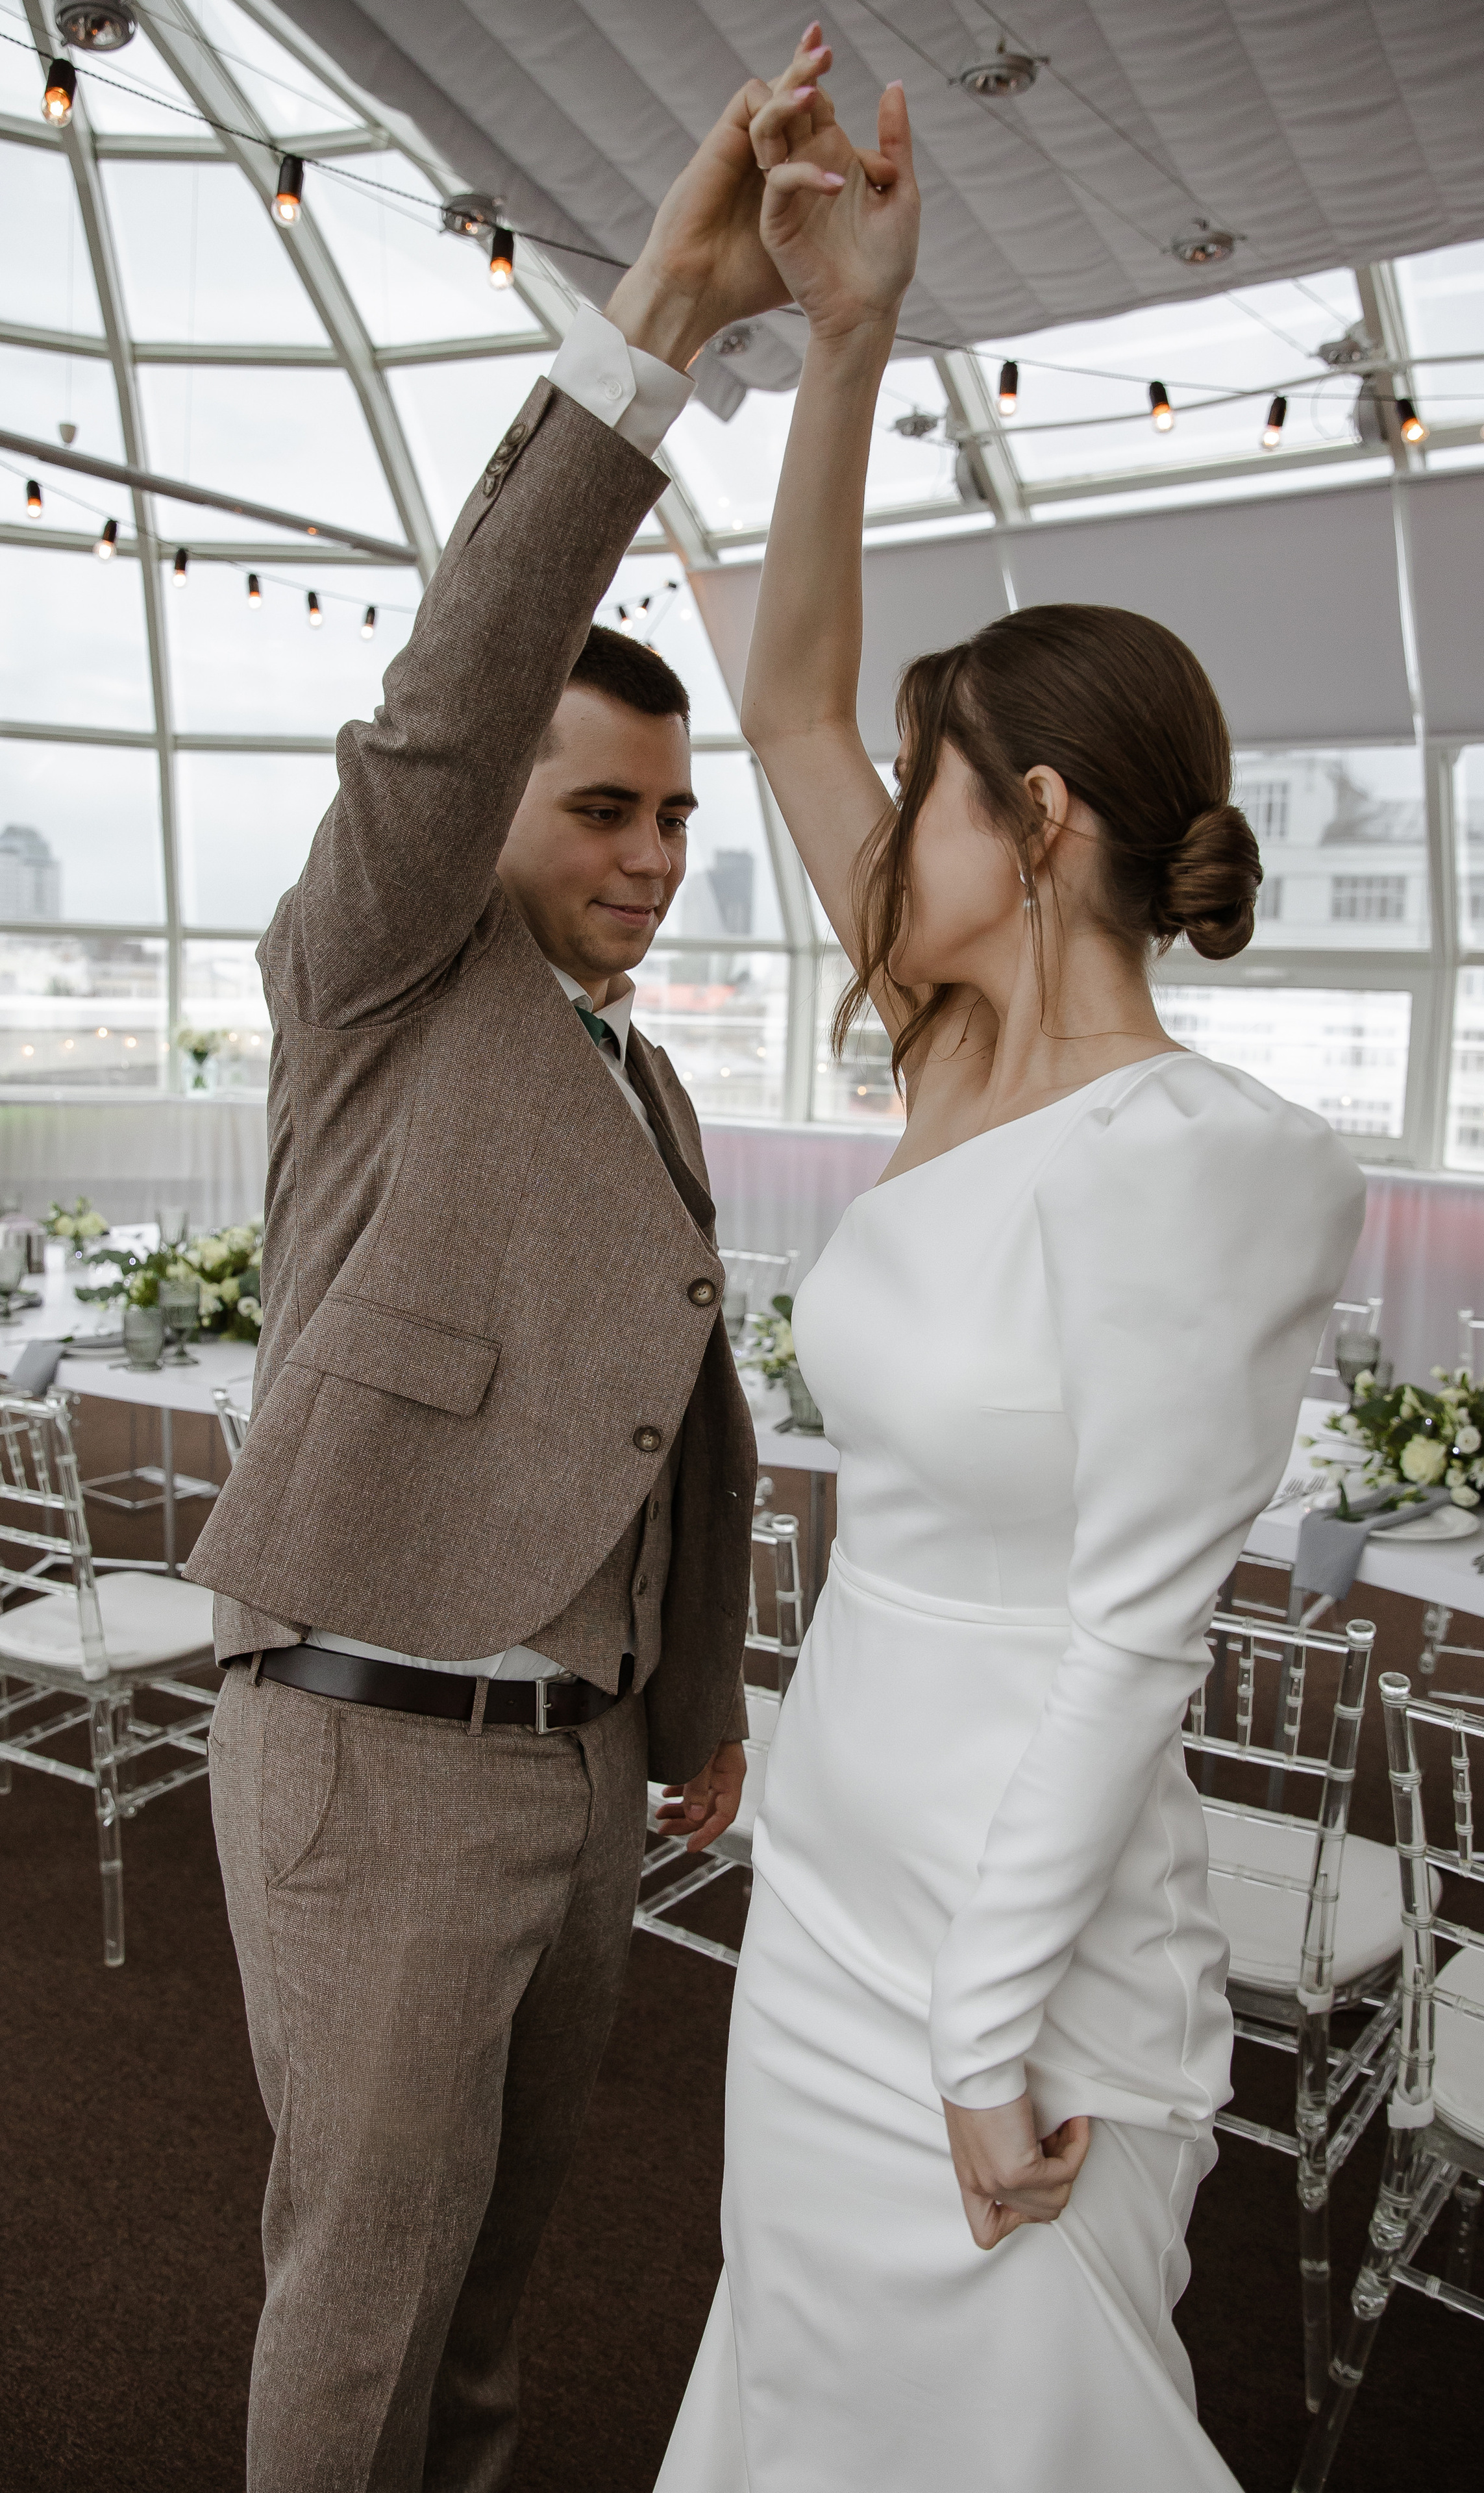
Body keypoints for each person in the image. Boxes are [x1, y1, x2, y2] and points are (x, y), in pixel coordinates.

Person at [656, 36, 1367, 2491]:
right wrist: (842, 341)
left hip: (1015, 1942)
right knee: (803, 2388)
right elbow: (789, 690)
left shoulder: (1218, 1166)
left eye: (935, 791)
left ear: (1035, 816)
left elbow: (1130, 1642)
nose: (882, 825)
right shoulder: (949, 1061)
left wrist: (981, 2038)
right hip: (831, 1865)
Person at [188, 74, 801, 2493]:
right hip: (366, 1752)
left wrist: (692, 1703)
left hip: (569, 1787)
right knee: (360, 2290)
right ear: (487, 824)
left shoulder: (633, 1078)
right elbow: (457, 689)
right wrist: (656, 326)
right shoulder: (380, 977)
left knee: (494, 2294)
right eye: (602, 809)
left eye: (675, 817)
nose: (652, 858)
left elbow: (683, 1411)